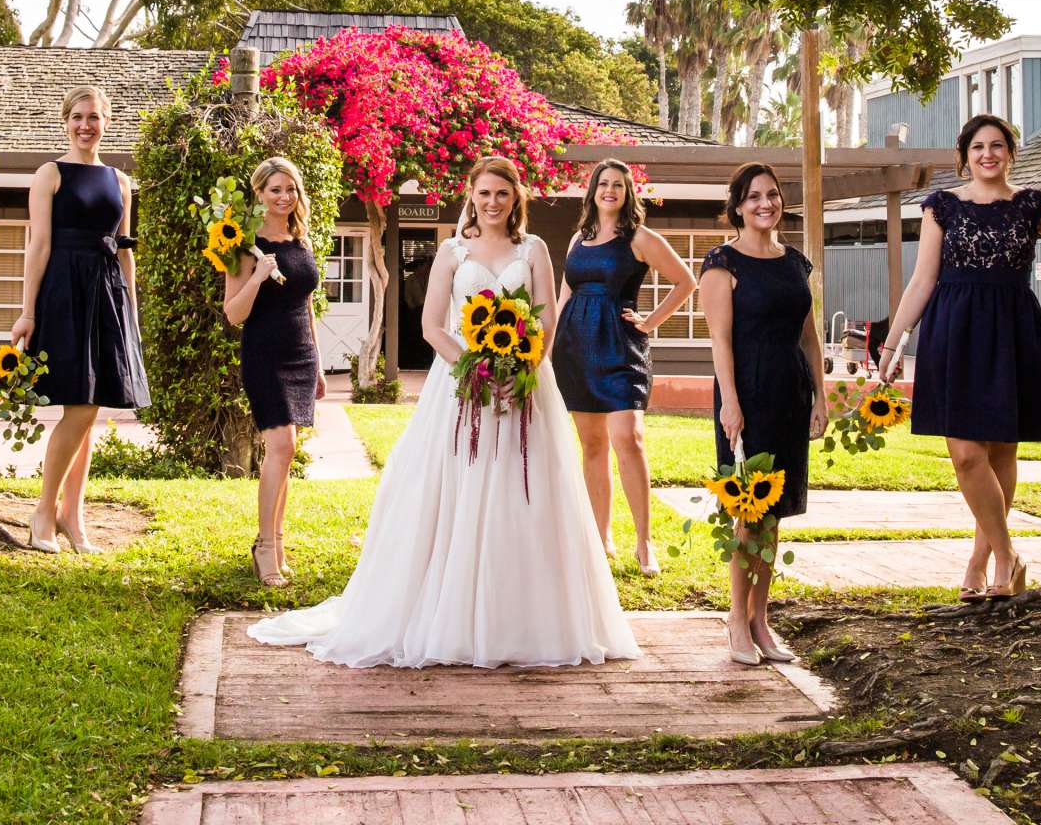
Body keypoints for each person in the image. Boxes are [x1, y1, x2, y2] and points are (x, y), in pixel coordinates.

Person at [249, 156, 637, 668]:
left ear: (515, 198)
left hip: (525, 389)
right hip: (462, 386)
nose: (493, 203)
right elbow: (434, 326)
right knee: (461, 484)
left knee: (529, 491)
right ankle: (455, 613)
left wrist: (520, 370)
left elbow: (545, 319)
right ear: (470, 197)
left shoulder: (535, 249)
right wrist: (476, 369)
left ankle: (530, 618)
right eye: (484, 194)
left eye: (502, 194)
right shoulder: (452, 252)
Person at [877, 113, 1041, 599]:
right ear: (964, 155)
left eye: (997, 145)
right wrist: (893, 342)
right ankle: (1008, 553)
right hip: (953, 331)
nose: (988, 154)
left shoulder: (1032, 205)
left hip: (1013, 330)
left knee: (1000, 451)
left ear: (1010, 153)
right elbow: (922, 279)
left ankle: (983, 562)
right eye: (978, 147)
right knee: (966, 455)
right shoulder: (942, 206)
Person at [11, 86, 148, 554]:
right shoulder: (50, 174)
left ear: (106, 122)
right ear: (65, 121)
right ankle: (42, 515)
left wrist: (130, 306)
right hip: (64, 291)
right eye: (77, 117)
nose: (85, 125)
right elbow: (40, 246)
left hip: (106, 294)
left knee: (88, 411)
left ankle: (73, 515)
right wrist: (27, 312)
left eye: (94, 117)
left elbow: (124, 248)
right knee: (81, 408)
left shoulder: (119, 181)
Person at [701, 162, 826, 665]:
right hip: (747, 393)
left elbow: (809, 334)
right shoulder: (721, 263)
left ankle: (761, 619)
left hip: (790, 391)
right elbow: (719, 339)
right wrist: (730, 401)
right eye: (753, 197)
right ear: (737, 205)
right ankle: (735, 618)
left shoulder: (796, 262)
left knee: (776, 515)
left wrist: (820, 396)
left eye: (771, 195)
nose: (764, 204)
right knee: (749, 514)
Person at [553, 158, 698, 575]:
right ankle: (601, 538)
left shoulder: (639, 238)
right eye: (604, 184)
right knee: (592, 445)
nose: (610, 190)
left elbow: (686, 280)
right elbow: (566, 295)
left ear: (627, 192)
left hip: (620, 350)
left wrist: (651, 321)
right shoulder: (577, 240)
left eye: (618, 184)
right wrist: (548, 349)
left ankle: (644, 541)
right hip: (575, 350)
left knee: (628, 438)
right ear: (593, 191)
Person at [222, 155, 326, 587]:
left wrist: (318, 363)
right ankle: (265, 547)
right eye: (275, 189)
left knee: (286, 450)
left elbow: (306, 305)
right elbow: (233, 314)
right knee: (280, 444)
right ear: (259, 194)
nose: (285, 197)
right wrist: (258, 276)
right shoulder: (244, 246)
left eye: (291, 189)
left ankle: (276, 542)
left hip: (300, 351)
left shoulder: (301, 240)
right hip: (264, 352)